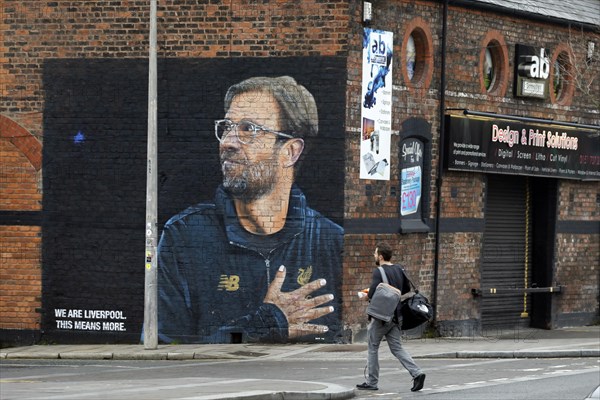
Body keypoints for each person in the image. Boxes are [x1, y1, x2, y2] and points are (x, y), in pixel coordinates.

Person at [156, 76, 344, 344]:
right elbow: (167, 349)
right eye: (226, 127)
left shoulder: (331, 241)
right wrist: (265, 325)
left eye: (248, 129)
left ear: (290, 151)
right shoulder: (184, 237)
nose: (228, 142)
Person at [356, 242, 426, 392]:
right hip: (396, 316)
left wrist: (365, 294)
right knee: (397, 348)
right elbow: (406, 289)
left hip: (382, 317)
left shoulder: (379, 271)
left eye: (375, 254)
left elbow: (373, 294)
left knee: (373, 348)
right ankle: (417, 373)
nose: (374, 256)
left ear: (380, 256)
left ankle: (372, 382)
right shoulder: (399, 268)